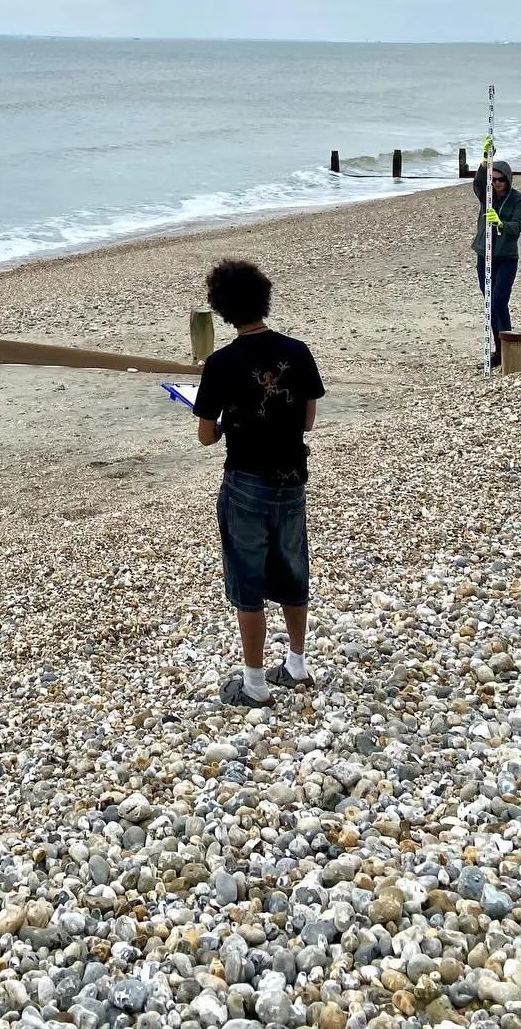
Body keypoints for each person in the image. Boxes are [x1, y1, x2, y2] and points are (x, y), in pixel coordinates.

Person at [193, 259, 325, 707]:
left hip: (246, 480)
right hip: (292, 478)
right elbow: (307, 421)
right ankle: (296, 663)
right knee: (292, 568)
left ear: (223, 308)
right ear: (263, 298)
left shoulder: (220, 364)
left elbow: (207, 437)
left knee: (247, 578)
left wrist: (233, 420)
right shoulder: (299, 351)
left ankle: (253, 683)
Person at [472, 155, 521, 366]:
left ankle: (508, 346)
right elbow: (478, 184)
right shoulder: (487, 196)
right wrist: (485, 162)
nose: (495, 183)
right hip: (484, 256)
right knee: (489, 303)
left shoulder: (518, 199)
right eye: (493, 179)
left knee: (498, 301)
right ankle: (498, 350)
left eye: (500, 180)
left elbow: (517, 227)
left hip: (506, 259)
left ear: (508, 180)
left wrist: (500, 223)